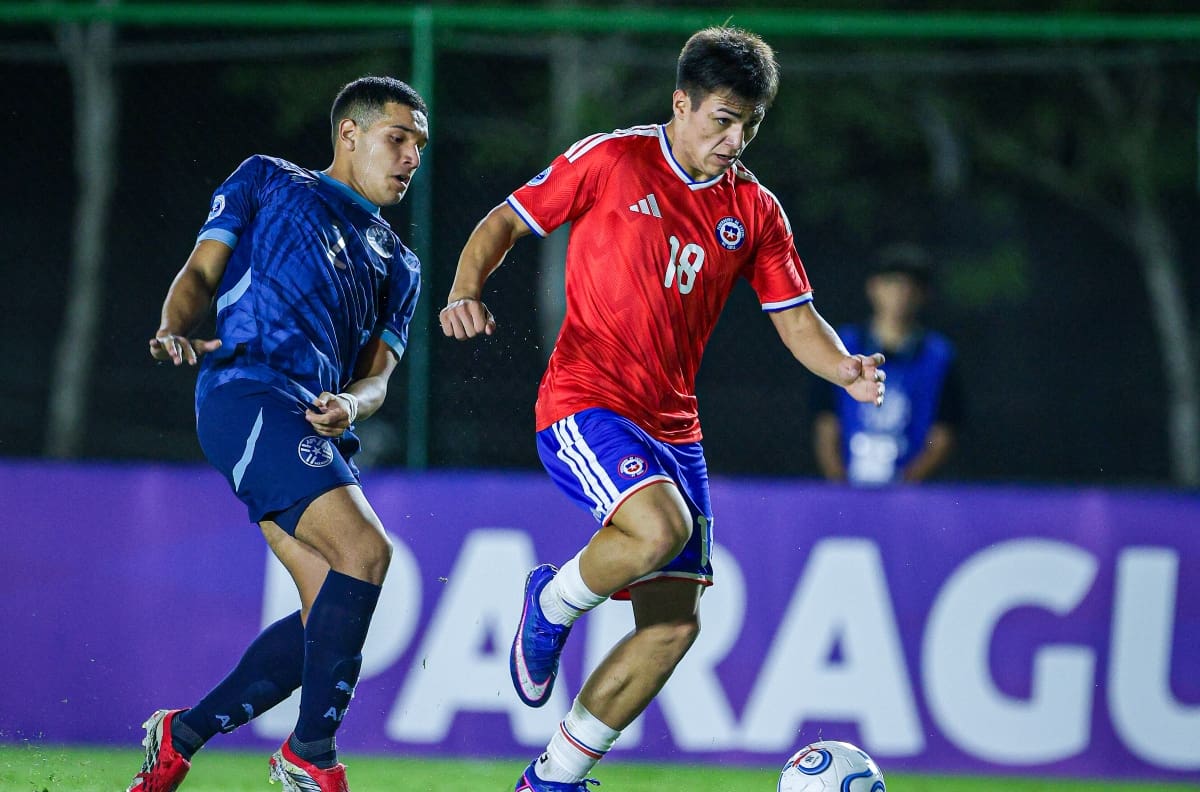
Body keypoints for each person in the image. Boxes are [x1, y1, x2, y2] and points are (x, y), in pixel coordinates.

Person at [439, 27, 886, 792]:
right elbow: (506, 220)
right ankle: (550, 602)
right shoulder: (611, 160)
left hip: (675, 427)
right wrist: (464, 289)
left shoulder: (756, 209)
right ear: (680, 103)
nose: (735, 139)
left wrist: (842, 366)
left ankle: (553, 776)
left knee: (675, 626)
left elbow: (794, 315)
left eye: (750, 123)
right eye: (721, 118)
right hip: (585, 401)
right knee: (660, 528)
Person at [128, 75, 428, 792]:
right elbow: (203, 270)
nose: (412, 157)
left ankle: (183, 734)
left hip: (314, 420)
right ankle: (310, 754)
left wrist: (352, 407)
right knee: (368, 551)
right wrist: (175, 326)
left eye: (420, 144)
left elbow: (377, 378)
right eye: (398, 139)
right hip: (247, 390)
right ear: (349, 134)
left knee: (328, 614)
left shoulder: (401, 264)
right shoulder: (269, 179)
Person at [812, 244, 962, 485]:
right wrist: (839, 487)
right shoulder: (842, 345)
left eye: (910, 287)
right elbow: (826, 424)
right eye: (892, 284)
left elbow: (943, 435)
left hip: (910, 491)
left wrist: (903, 487)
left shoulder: (939, 357)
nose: (900, 295)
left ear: (924, 295)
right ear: (873, 287)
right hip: (848, 484)